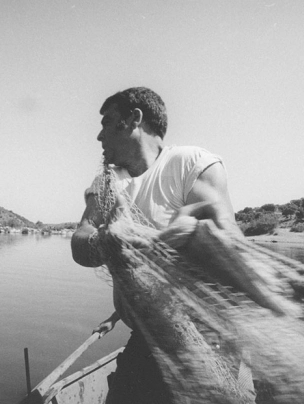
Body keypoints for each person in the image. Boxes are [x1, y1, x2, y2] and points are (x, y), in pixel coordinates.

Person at [71, 87, 253, 403]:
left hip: (209, 333)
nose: (99, 137)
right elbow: (81, 241)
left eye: (107, 122)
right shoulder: (107, 183)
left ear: (134, 119)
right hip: (148, 334)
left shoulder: (191, 164)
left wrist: (192, 230)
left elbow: (229, 241)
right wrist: (110, 241)